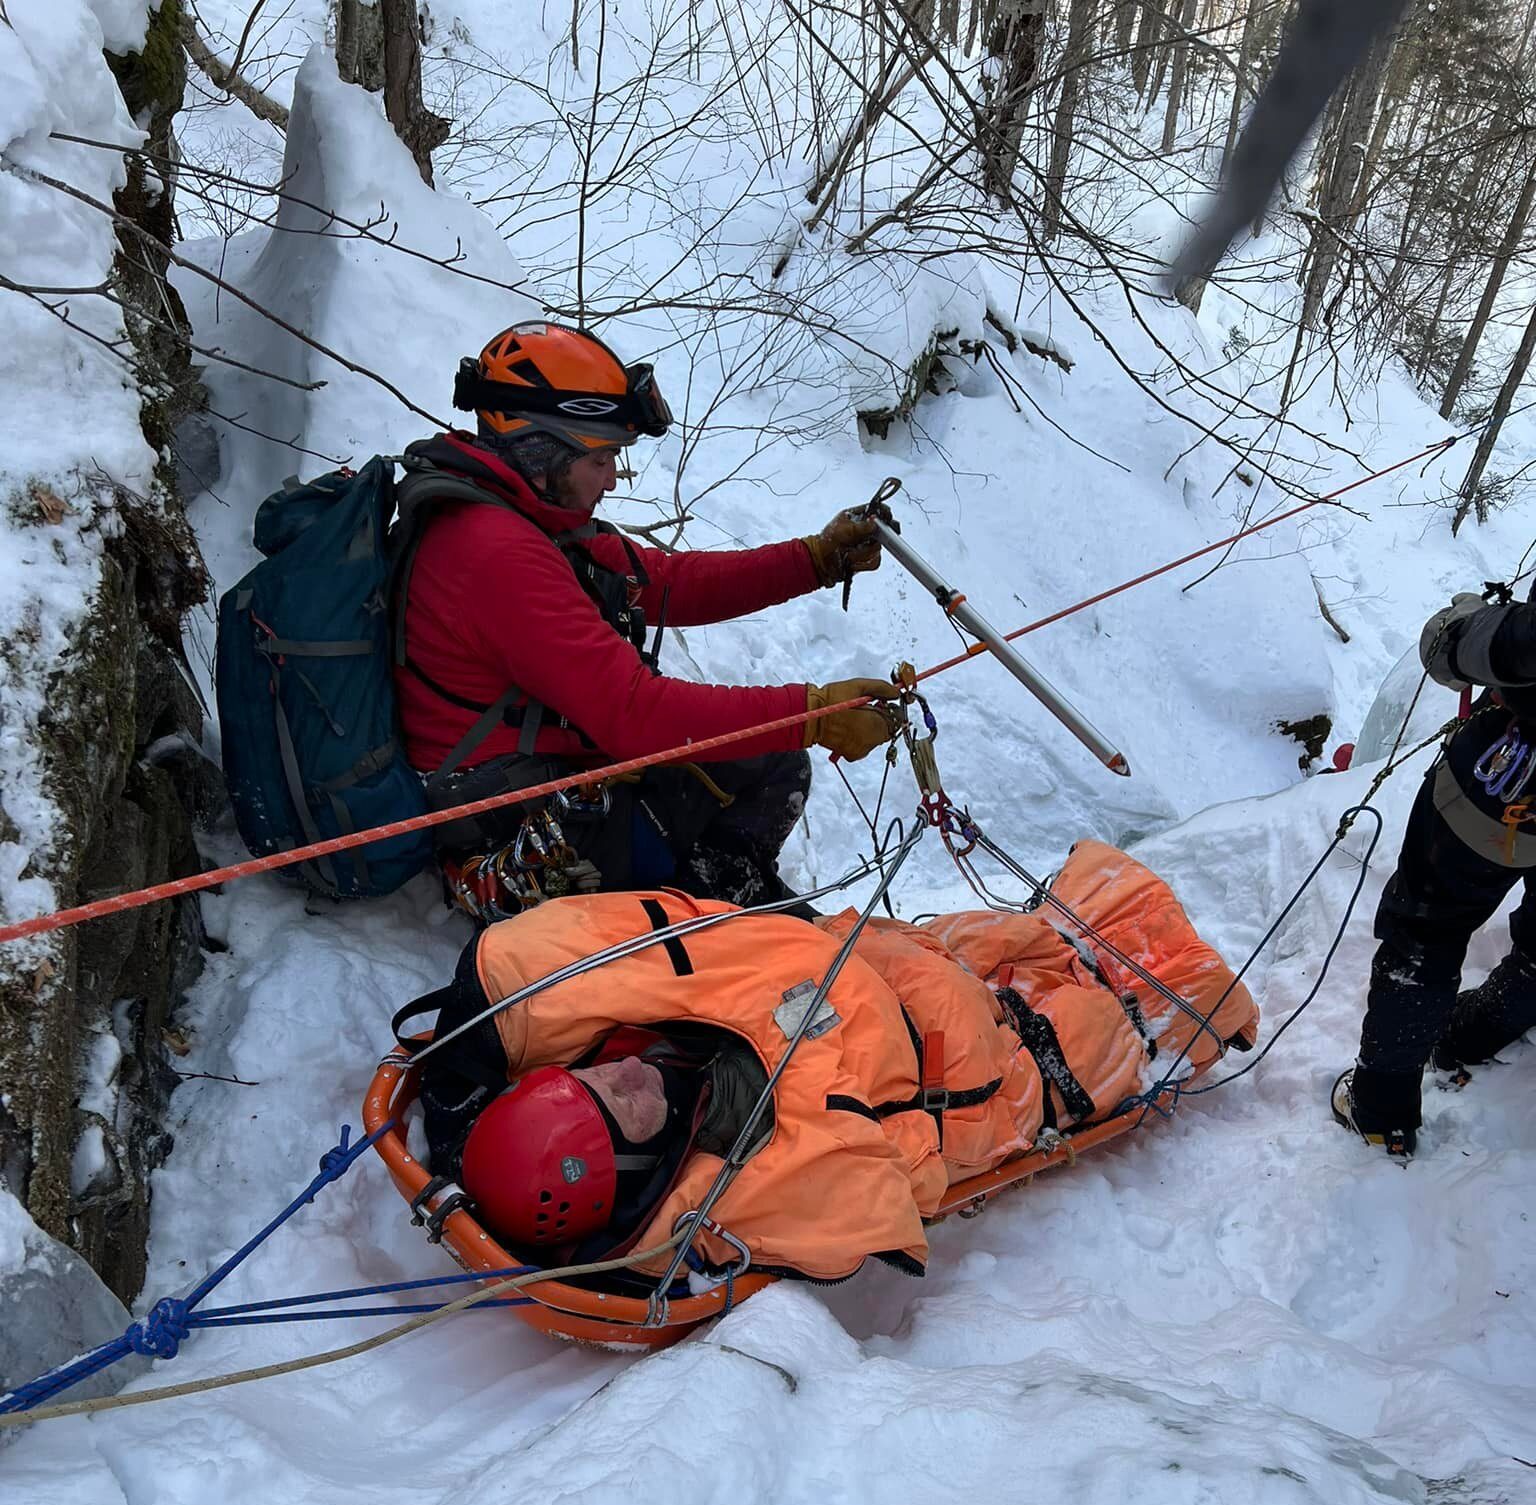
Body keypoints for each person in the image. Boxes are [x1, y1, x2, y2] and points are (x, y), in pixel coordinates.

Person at [403, 841, 1258, 1281]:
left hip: (881, 960)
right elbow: (863, 1190)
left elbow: (550, 955)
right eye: (618, 1108)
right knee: (1106, 1020)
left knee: (1016, 940)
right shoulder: (730, 1180)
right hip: (967, 1073)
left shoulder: (628, 1044)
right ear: (630, 1167)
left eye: (594, 1077)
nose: (625, 1075)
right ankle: (1176, 1001)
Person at [391, 319, 901, 913]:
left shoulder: (526, 518)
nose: (612, 479)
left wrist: (812, 560)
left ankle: (723, 893)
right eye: (601, 459)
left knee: (772, 764)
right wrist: (813, 714)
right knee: (762, 764)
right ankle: (712, 920)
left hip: (545, 779)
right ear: (541, 449)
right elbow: (634, 713)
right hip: (511, 831)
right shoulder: (495, 553)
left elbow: (661, 583)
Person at [1334, 589, 1536, 1159]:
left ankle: (1381, 1109)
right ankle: (1475, 1035)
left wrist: (1462, 629)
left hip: (1505, 783)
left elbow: (1511, 645)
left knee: (1427, 931)